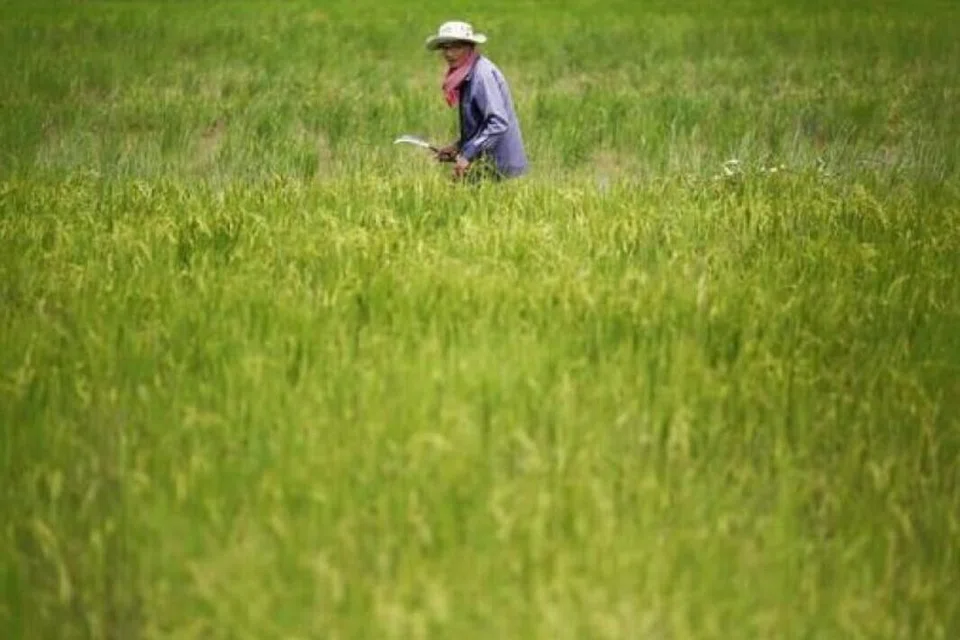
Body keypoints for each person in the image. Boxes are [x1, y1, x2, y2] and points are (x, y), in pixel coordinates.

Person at [425, 21, 528, 181]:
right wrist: (458, 147)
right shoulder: (466, 75)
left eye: (456, 47)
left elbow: (498, 123)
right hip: (485, 167)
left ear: (469, 47)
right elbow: (481, 125)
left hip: (501, 170)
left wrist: (467, 154)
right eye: (445, 47)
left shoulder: (481, 75)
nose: (449, 54)